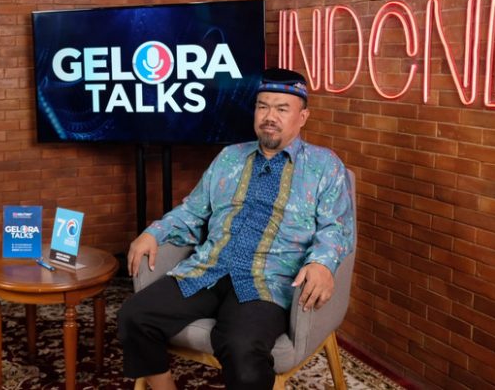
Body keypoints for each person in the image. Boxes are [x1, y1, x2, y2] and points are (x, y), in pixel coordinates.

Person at [117, 68, 355, 390]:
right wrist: (153, 232)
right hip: (209, 268)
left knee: (241, 348)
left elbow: (336, 227)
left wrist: (322, 263)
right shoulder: (230, 157)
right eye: (262, 106)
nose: (269, 117)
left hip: (268, 281)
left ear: (302, 117)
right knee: (134, 315)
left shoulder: (324, 166)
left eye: (282, 109)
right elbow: (193, 210)